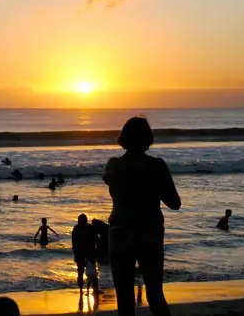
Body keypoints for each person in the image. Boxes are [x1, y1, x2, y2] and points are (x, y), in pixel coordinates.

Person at [103, 116, 180, 316]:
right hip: (149, 231)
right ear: (148, 138)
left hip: (120, 232)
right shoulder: (157, 166)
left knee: (124, 299)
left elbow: (111, 184)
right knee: (155, 294)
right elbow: (175, 203)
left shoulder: (113, 165)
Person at [72, 214, 96, 292]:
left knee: (91, 273)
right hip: (82, 254)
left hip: (88, 253)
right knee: (82, 273)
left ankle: (91, 290)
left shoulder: (87, 228)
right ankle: (82, 290)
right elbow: (74, 243)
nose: (79, 222)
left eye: (80, 221)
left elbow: (74, 243)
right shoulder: (78, 228)